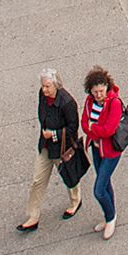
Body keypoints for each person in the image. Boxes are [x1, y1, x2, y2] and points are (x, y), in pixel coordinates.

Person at [19, 69, 84, 233]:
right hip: (46, 146)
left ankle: (76, 201)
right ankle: (33, 217)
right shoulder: (43, 95)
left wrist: (53, 134)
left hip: (61, 147)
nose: (44, 90)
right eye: (43, 86)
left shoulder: (67, 102)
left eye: (48, 86)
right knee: (37, 180)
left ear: (56, 85)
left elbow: (73, 128)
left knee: (69, 176)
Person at [81, 66, 126, 240]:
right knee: (105, 183)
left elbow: (108, 130)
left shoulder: (114, 103)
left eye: (101, 91)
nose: (99, 94)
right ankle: (110, 217)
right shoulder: (89, 102)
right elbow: (84, 123)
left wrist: (94, 129)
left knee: (99, 190)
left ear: (107, 87)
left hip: (110, 152)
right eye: (95, 92)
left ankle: (110, 217)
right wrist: (93, 130)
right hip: (96, 147)